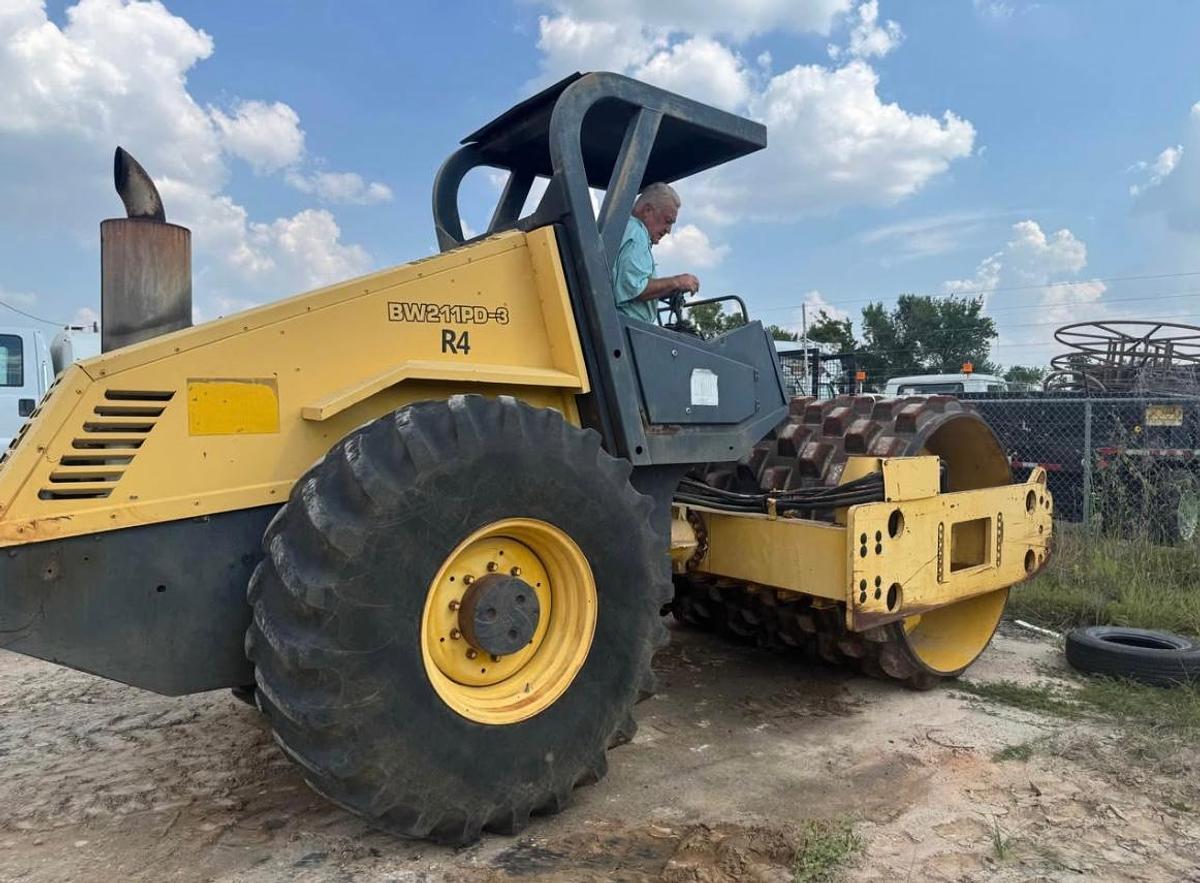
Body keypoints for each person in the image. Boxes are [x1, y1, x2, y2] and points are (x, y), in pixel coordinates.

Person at [611, 182, 701, 323]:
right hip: (627, 327)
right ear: (647, 211)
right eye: (667, 221)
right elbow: (635, 287)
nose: (669, 230)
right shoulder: (637, 233)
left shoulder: (622, 228)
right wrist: (678, 282)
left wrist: (667, 290)